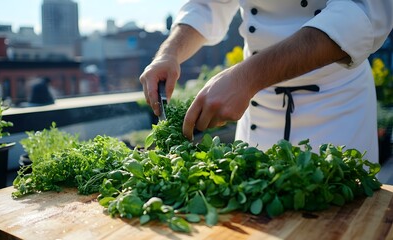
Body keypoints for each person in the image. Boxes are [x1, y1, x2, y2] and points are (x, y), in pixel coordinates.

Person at [139, 0, 393, 164]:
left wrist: (246, 77)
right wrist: (169, 52)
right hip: (256, 105)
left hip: (336, 104)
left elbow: (363, 12)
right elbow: (209, 4)